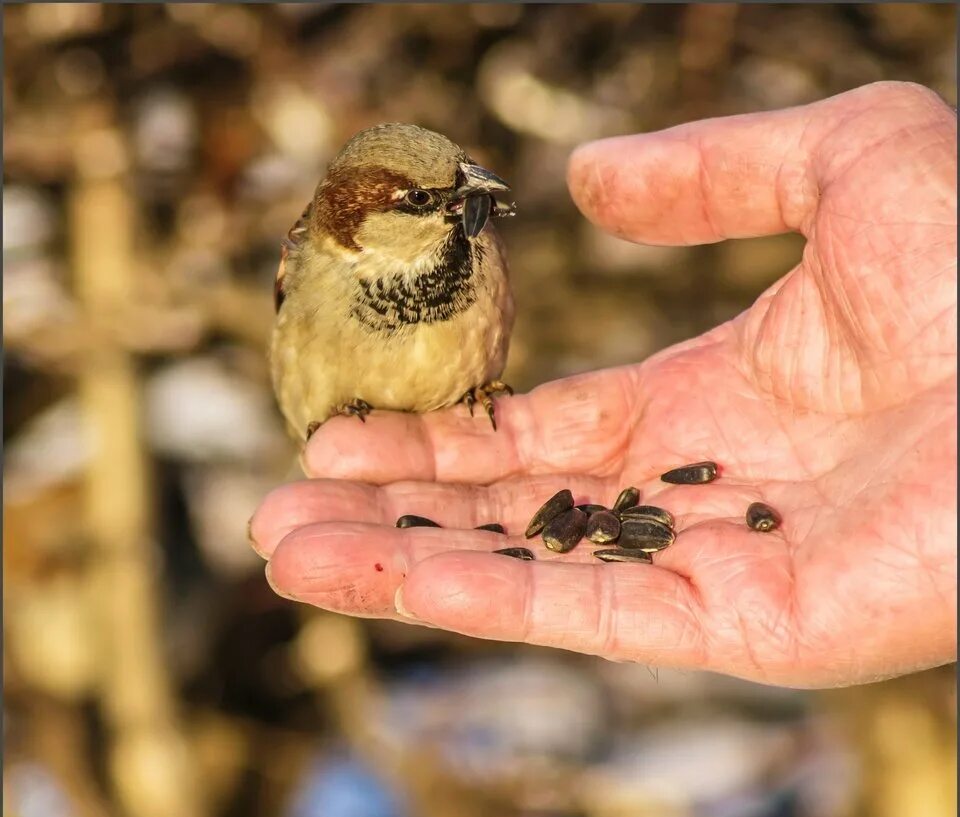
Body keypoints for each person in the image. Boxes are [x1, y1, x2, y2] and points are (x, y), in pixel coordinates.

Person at [248, 81, 957, 688]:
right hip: (351, 413)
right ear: (354, 220)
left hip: (452, 417)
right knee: (350, 476)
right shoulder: (306, 253)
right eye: (428, 199)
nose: (465, 205)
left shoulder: (472, 244)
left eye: (463, 181)